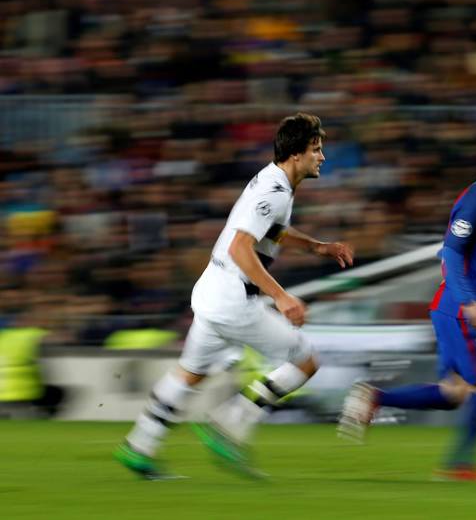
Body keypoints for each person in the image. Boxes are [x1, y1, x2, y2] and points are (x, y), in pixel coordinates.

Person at [115, 113, 355, 480]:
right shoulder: (274, 191)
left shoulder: (273, 182)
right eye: (316, 149)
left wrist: (318, 247)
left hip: (212, 290)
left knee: (190, 374)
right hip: (233, 298)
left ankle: (139, 445)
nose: (322, 157)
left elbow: (272, 231)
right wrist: (281, 297)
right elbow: (241, 247)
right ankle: (229, 424)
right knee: (305, 361)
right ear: (296, 154)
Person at [337, 129, 476, 482]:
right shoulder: (475, 201)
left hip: (458, 308)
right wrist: (470, 301)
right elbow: (451, 254)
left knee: (452, 393)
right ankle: (460, 466)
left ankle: (374, 398)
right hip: (461, 311)